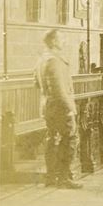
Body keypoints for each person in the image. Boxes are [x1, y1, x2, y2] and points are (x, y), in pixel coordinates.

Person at [33, 30, 81, 189]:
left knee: (52, 139)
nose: (64, 41)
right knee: (70, 139)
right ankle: (64, 177)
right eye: (61, 39)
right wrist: (71, 108)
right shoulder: (55, 61)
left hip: (47, 105)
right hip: (60, 107)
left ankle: (51, 177)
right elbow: (60, 89)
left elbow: (36, 83)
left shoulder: (42, 59)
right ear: (53, 41)